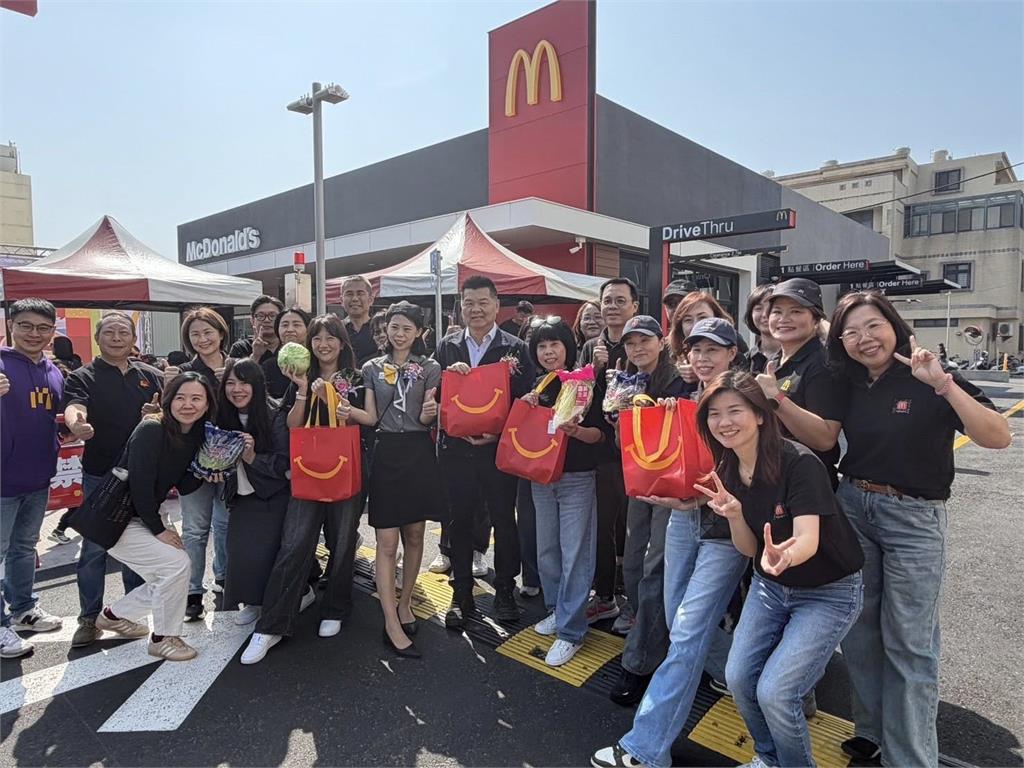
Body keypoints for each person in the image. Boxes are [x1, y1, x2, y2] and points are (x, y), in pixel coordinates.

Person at [825, 291, 1010, 766]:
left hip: (914, 516)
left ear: (894, 325)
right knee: (860, 631)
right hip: (854, 505)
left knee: (909, 639)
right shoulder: (847, 382)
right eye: (851, 331)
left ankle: (909, 758)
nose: (863, 338)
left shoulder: (928, 374)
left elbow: (998, 437)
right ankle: (871, 729)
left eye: (872, 326)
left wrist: (945, 386)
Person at [702, 372, 864, 768]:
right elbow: (749, 549)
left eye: (735, 411)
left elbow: (808, 537)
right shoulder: (727, 469)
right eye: (714, 414)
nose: (724, 422)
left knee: (776, 692)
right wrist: (737, 516)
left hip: (828, 591)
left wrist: (787, 555)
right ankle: (770, 757)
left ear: (759, 414)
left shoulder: (799, 462)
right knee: (739, 678)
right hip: (769, 586)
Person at [241, 314, 365, 664]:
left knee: (342, 542)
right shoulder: (300, 377)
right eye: (317, 338)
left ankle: (336, 607)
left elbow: (366, 421)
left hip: (346, 468)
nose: (323, 344)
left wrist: (345, 411)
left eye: (331, 337)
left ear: (342, 343)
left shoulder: (356, 378)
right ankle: (271, 625)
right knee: (294, 542)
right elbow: (292, 427)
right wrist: (299, 390)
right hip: (307, 471)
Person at [611, 316, 713, 708]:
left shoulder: (682, 379)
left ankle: (639, 660)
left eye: (645, 341)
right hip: (640, 476)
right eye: (631, 342)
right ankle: (648, 628)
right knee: (635, 560)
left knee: (657, 565)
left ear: (661, 342)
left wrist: (674, 405)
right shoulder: (624, 379)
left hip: (675, 482)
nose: (637, 349)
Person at [434, 275, 536, 629]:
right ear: (460, 307)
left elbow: (527, 399)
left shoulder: (515, 348)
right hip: (456, 451)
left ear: (496, 305)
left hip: (498, 451)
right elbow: (435, 396)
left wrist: (498, 433)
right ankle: (460, 593)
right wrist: (448, 376)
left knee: (505, 522)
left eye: (482, 303)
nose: (475, 310)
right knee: (459, 521)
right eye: (468, 304)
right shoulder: (447, 346)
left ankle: (505, 589)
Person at [97, 372, 218, 662]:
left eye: (196, 398)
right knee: (177, 564)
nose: (187, 404)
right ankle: (163, 638)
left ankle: (114, 616)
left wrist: (206, 470)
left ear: (206, 405)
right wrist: (158, 529)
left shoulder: (194, 435)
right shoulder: (151, 429)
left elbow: (185, 484)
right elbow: (139, 485)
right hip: (117, 517)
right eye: (180, 397)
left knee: (170, 578)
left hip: (144, 514)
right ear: (168, 400)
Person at [347, 301, 442, 658]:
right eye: (393, 327)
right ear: (385, 329)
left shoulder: (430, 368)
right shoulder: (372, 367)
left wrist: (430, 413)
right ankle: (389, 619)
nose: (398, 333)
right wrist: (347, 410)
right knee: (386, 543)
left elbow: (428, 414)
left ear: (419, 332)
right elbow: (370, 417)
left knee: (415, 534)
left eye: (406, 328)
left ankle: (405, 603)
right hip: (386, 455)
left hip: (418, 453)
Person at [61, 311, 160, 648]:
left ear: (134, 339)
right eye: (110, 332)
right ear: (98, 337)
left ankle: (128, 613)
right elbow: (76, 406)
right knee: (94, 549)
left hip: (143, 474)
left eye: (124, 332)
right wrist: (78, 424)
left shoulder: (151, 375)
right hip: (100, 474)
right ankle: (88, 619)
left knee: (138, 549)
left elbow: (170, 410)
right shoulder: (83, 376)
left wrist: (156, 415)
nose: (117, 338)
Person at [521, 318, 608, 666]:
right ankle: (557, 609)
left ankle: (572, 632)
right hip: (541, 477)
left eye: (554, 344)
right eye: (541, 346)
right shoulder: (536, 384)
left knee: (576, 554)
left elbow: (601, 435)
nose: (548, 351)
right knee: (547, 550)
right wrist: (526, 407)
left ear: (567, 348)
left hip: (576, 476)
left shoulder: (584, 382)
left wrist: (578, 432)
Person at [0, 298, 65, 658]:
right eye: (26, 325)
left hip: (39, 476)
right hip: (2, 480)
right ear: (11, 325)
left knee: (25, 548)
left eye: (42, 327)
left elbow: (54, 418)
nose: (34, 333)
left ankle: (23, 608)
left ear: (52, 331)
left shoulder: (53, 371)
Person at [578, 278, 639, 626]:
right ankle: (604, 596)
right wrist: (594, 369)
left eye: (620, 301)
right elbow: (577, 394)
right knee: (601, 526)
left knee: (634, 527)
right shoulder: (590, 347)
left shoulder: (642, 343)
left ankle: (632, 599)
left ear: (634, 307)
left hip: (638, 452)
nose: (612, 307)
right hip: (601, 449)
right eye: (607, 301)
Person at [166, 308, 232, 620]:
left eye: (208, 332)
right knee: (194, 530)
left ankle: (225, 577)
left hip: (231, 464)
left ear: (221, 333)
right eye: (195, 334)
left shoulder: (236, 367)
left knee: (225, 524)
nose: (202, 339)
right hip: (192, 464)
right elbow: (170, 415)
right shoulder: (182, 372)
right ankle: (193, 592)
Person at [217, 359, 290, 627]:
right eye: (231, 383)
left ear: (257, 384)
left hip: (272, 494)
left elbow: (284, 463)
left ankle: (292, 594)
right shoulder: (223, 414)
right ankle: (251, 602)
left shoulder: (275, 414)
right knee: (240, 553)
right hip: (240, 495)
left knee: (267, 553)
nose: (237, 389)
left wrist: (251, 456)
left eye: (244, 382)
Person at [753, 278, 845, 489]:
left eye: (796, 311)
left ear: (815, 319)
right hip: (775, 476)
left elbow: (825, 438)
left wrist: (776, 398)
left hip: (809, 482)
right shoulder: (774, 361)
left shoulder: (823, 364)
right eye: (777, 312)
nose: (784, 319)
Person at [262, 306, 310, 400]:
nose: (290, 330)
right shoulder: (269, 366)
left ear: (308, 329)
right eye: (284, 325)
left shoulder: (317, 361)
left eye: (296, 325)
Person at [229, 295, 284, 364]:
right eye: (261, 316)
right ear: (252, 321)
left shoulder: (288, 347)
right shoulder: (241, 348)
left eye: (272, 316)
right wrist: (256, 355)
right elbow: (236, 374)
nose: (266, 320)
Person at [340, 275, 379, 365]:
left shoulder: (381, 330)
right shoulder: (336, 329)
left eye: (360, 293)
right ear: (341, 300)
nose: (355, 299)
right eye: (349, 294)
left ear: (371, 299)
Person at [743, 284, 779, 375]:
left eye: (772, 308)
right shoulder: (744, 361)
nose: (765, 314)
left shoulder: (798, 357)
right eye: (758, 309)